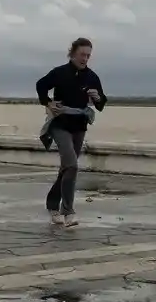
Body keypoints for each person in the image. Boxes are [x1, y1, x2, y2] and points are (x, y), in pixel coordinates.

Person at [36, 37, 107, 227]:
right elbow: (40, 85)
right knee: (72, 165)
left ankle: (52, 205)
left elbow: (101, 104)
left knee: (67, 168)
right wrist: (48, 102)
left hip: (79, 125)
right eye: (82, 54)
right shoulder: (59, 73)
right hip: (60, 124)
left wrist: (98, 97)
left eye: (88, 55)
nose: (85, 58)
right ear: (73, 53)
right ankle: (68, 212)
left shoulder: (92, 77)